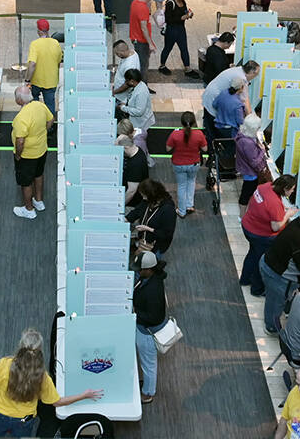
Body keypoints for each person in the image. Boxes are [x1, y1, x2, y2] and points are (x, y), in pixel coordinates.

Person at [0, 328, 102, 435]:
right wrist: (84, 395)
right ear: (40, 349)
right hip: (24, 421)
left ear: (21, 346)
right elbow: (57, 402)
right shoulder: (43, 376)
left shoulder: (4, 364)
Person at [241, 175, 298, 297]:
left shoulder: (264, 186)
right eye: (292, 189)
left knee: (252, 254)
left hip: (248, 226)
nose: (293, 191)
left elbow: (265, 206)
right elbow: (275, 227)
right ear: (285, 188)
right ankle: (257, 289)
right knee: (261, 261)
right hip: (261, 235)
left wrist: (281, 209)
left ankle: (244, 279)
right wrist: (287, 214)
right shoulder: (274, 203)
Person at [12, 86, 53, 219]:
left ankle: (29, 209)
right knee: (39, 174)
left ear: (19, 100)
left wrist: (18, 155)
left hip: (27, 156)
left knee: (26, 182)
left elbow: (20, 141)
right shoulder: (39, 105)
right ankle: (39, 201)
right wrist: (43, 132)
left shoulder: (21, 118)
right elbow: (51, 119)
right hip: (42, 150)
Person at [133, 251, 168, 404]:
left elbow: (153, 318)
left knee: (148, 364)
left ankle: (148, 393)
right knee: (147, 363)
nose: (138, 271)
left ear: (149, 269)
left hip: (147, 332)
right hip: (144, 328)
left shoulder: (153, 290)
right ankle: (147, 386)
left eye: (140, 269)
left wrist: (134, 315)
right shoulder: (152, 279)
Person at [202, 61, 259, 142]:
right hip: (223, 124)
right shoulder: (241, 79)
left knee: (209, 127)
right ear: (252, 72)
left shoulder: (237, 70)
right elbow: (245, 101)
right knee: (213, 132)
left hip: (209, 96)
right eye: (257, 73)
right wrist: (251, 120)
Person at [167, 111, 207, 217]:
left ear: (182, 122)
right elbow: (205, 148)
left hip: (179, 164)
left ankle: (182, 210)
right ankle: (189, 205)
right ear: (194, 123)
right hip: (194, 163)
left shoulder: (175, 134)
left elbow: (168, 148)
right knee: (191, 182)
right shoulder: (199, 134)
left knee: (181, 185)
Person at [127, 178, 177, 257]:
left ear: (152, 195)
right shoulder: (148, 201)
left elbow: (167, 234)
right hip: (144, 240)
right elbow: (137, 210)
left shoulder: (168, 210)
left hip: (156, 245)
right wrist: (126, 219)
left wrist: (147, 228)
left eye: (144, 196)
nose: (143, 198)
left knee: (149, 264)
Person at [158, 0, 198, 78]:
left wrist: (188, 14)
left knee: (184, 49)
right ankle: (162, 66)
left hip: (180, 29)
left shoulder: (182, 1)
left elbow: (184, 11)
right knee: (167, 48)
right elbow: (168, 19)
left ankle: (187, 68)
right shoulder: (170, 3)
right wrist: (182, 18)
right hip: (171, 30)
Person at [234, 113, 270, 215]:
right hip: (250, 173)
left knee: (247, 192)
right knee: (246, 194)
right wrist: (262, 151)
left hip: (245, 168)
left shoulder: (242, 134)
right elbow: (254, 162)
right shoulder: (247, 143)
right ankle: (242, 215)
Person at [25, 19, 61, 116]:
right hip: (51, 81)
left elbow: (32, 64)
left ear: (39, 31)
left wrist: (27, 80)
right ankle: (50, 127)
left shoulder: (35, 44)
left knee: (34, 103)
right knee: (50, 105)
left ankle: (37, 121)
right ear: (48, 30)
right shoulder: (56, 43)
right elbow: (58, 62)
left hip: (36, 81)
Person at [116, 69, 155, 142]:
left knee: (138, 139)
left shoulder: (141, 93)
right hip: (136, 120)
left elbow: (139, 111)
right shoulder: (138, 85)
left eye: (127, 81)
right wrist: (125, 102)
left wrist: (123, 108)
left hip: (140, 122)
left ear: (132, 81)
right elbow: (130, 95)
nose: (125, 82)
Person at [128, 0, 155, 78]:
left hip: (134, 37)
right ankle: (142, 86)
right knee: (143, 65)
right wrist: (150, 43)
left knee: (140, 62)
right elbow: (144, 27)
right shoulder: (143, 8)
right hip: (141, 41)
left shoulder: (134, 2)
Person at [118, 134, 149, 203]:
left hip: (133, 202)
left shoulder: (136, 165)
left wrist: (120, 204)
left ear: (125, 148)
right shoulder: (137, 149)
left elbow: (131, 191)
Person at [112, 40, 141, 108]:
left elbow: (127, 85)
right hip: (119, 92)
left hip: (121, 97)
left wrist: (115, 92)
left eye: (117, 53)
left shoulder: (129, 65)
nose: (117, 55)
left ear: (121, 53)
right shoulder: (132, 52)